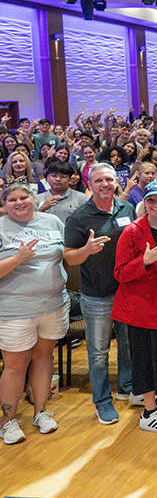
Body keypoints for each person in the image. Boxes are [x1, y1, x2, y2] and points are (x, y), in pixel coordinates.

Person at [63, 163, 136, 424]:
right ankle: (102, 402)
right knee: (98, 353)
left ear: (116, 181)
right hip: (96, 295)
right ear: (90, 185)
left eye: (109, 179)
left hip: (127, 291)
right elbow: (69, 258)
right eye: (98, 181)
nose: (104, 184)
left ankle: (127, 387)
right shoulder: (79, 217)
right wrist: (87, 250)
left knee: (128, 344)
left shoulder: (127, 208)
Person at [112, 180, 157, 434]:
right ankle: (149, 411)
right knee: (145, 359)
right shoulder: (132, 231)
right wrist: (143, 261)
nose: (155, 205)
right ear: (144, 202)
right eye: (150, 200)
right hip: (143, 306)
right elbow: (119, 272)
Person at [0, 183, 69, 444]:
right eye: (12, 199)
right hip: (14, 310)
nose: (19, 202)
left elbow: (66, 254)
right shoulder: (1, 227)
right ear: (5, 204)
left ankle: (40, 412)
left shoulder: (52, 221)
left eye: (24, 197)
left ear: (33, 198)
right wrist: (17, 259)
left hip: (52, 305)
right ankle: (8, 421)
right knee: (15, 367)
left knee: (43, 358)